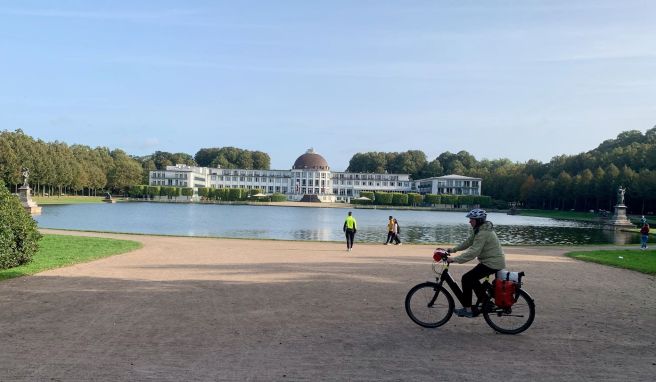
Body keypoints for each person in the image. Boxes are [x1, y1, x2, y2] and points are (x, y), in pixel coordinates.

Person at [445, 208, 505, 318]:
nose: (469, 222)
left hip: (492, 263)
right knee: (472, 279)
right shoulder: (479, 229)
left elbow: (473, 252)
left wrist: (455, 259)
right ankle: (486, 302)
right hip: (491, 261)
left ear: (478, 220)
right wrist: (453, 250)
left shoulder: (483, 233)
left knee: (467, 278)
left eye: (471, 219)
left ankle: (468, 309)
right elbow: (468, 242)